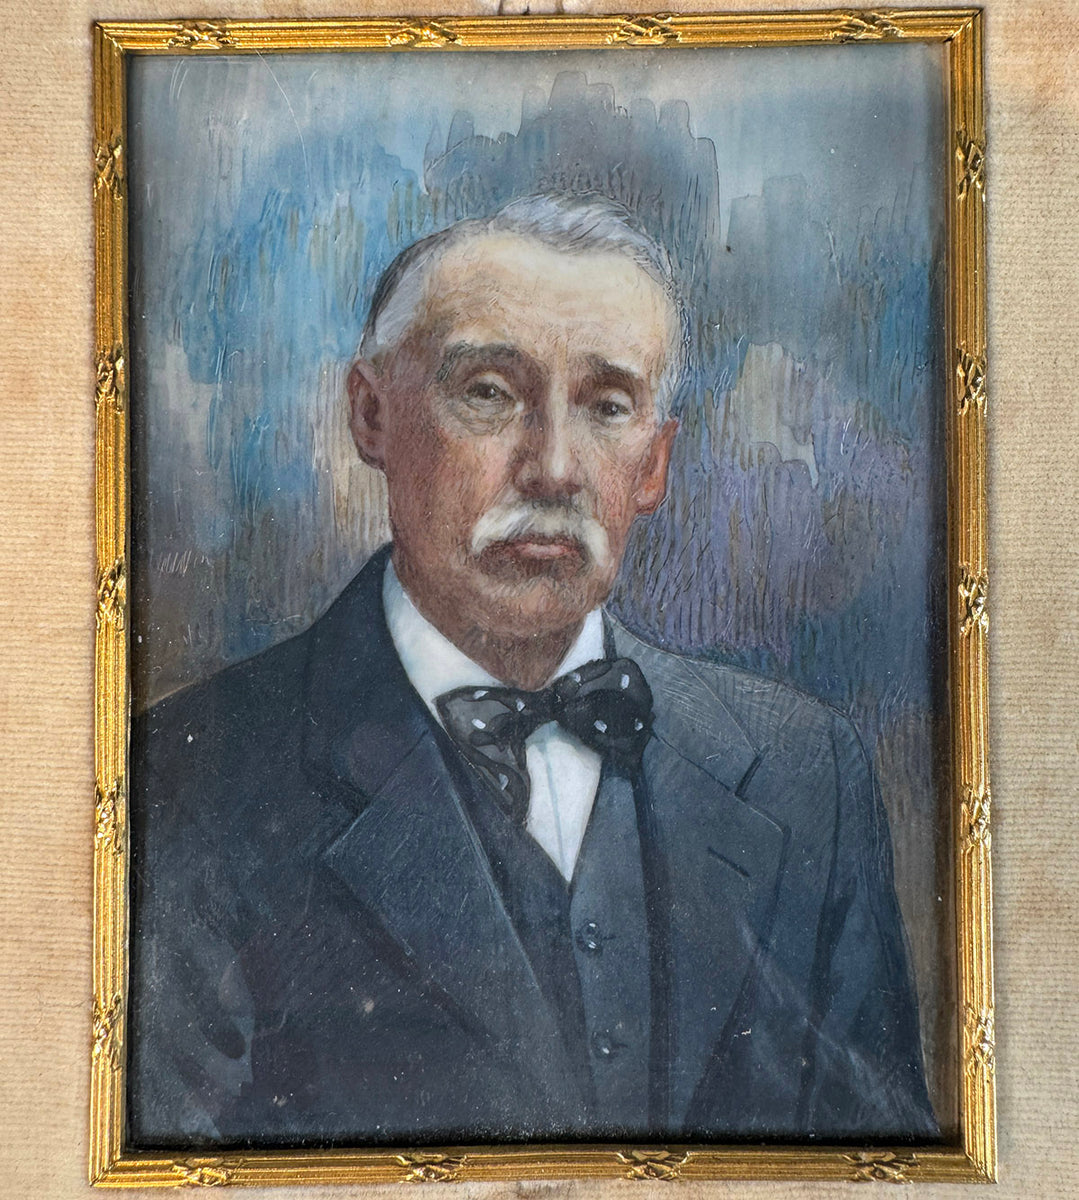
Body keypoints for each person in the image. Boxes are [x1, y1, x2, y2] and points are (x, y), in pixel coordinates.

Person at [128, 193, 937, 1148]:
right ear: (371, 416)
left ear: (654, 464)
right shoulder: (186, 778)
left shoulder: (807, 774)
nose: (553, 467)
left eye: (607, 406)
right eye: (488, 393)